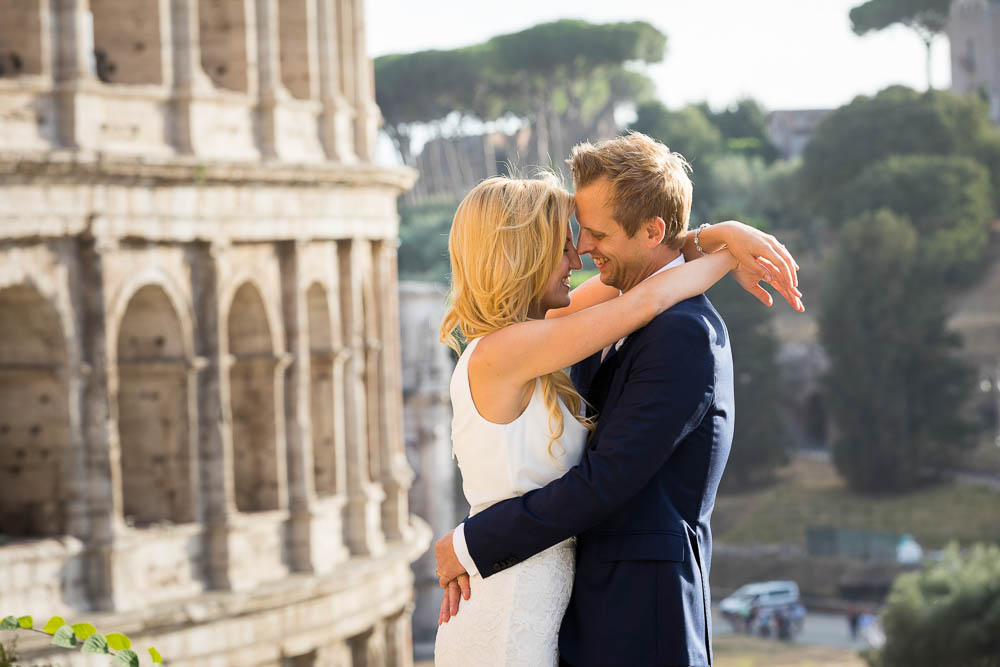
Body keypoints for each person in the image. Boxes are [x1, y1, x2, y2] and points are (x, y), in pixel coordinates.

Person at [433, 133, 803, 667]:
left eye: (590, 234)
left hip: (612, 609)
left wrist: (708, 241)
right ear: (522, 255)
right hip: (512, 596)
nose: (580, 250)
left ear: (650, 231)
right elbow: (649, 289)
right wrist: (720, 245)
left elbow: (652, 287)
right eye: (568, 240)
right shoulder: (523, 344)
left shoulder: (644, 331)